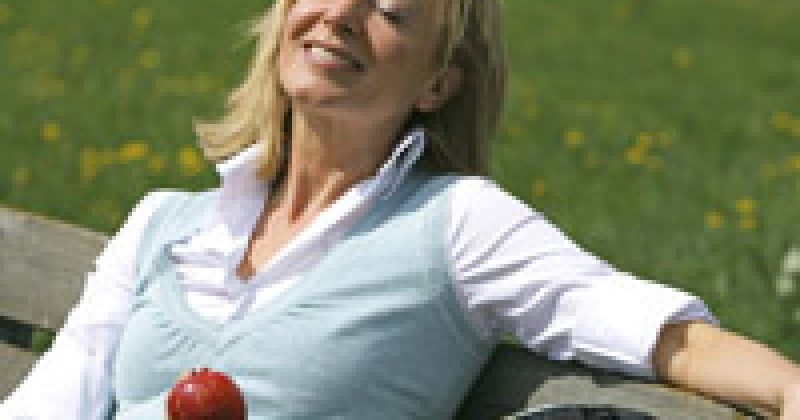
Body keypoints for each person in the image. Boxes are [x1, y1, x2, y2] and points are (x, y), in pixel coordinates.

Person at [2, 0, 800, 418]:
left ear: (438, 83)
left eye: (390, 8)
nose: (341, 13)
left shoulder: (455, 226)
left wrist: (786, 388)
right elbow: (53, 402)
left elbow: (653, 331)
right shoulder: (163, 224)